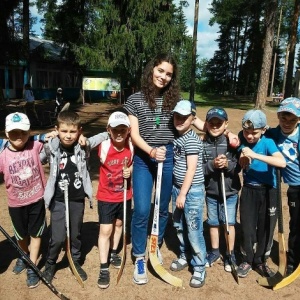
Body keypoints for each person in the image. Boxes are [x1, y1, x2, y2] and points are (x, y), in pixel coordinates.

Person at [124, 53, 238, 285]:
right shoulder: (135, 99)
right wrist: (150, 151)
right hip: (145, 159)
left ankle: (155, 246)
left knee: (164, 208)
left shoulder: (174, 100)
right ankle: (139, 256)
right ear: (151, 70)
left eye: (168, 74)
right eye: (160, 71)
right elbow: (133, 134)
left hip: (169, 156)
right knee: (143, 209)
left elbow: (201, 124)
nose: (163, 77)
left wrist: (227, 132)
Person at [40, 110, 108, 283]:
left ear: (79, 130)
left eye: (72, 131)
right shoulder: (52, 145)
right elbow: (39, 157)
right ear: (57, 129)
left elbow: (103, 136)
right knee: (57, 237)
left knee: (75, 233)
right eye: (64, 131)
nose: (68, 136)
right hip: (58, 199)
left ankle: (75, 261)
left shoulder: (83, 145)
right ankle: (50, 262)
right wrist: (44, 139)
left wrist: (89, 137)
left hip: (77, 198)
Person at [237, 109, 286, 278]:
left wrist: (255, 155)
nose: (249, 136)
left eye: (254, 133)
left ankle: (260, 261)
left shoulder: (268, 142)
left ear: (263, 130)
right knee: (247, 227)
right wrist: (243, 157)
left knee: (266, 228)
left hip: (269, 190)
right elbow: (241, 155)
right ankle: (247, 259)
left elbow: (281, 162)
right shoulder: (242, 140)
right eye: (246, 132)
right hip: (249, 190)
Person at [0, 112, 47, 288]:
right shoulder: (2, 155)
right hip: (15, 204)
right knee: (20, 235)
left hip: (36, 200)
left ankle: (32, 265)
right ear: (6, 134)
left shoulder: (35, 146)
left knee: (36, 233)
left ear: (29, 132)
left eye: (23, 132)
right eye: (14, 133)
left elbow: (51, 138)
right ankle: (24, 254)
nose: (19, 136)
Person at [169, 100, 206, 288]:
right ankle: (185, 255)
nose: (180, 120)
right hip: (178, 188)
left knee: (193, 229)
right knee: (179, 225)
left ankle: (199, 265)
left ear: (193, 118)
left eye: (185, 117)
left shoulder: (191, 139)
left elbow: (191, 169)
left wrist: (183, 194)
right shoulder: (177, 136)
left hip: (191, 191)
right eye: (177, 116)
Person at [96, 111, 133, 289]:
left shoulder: (131, 146)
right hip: (106, 196)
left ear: (128, 131)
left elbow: (135, 162)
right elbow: (83, 143)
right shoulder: (103, 146)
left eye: (123, 129)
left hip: (125, 194)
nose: (119, 133)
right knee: (106, 230)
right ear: (108, 130)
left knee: (119, 225)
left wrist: (130, 170)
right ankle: (104, 268)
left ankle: (113, 253)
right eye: (115, 129)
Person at [202, 107, 241, 271]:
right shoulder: (203, 143)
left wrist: (228, 165)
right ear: (207, 124)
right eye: (212, 122)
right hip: (211, 192)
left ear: (226, 124)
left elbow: (239, 166)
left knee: (229, 222)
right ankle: (215, 251)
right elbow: (200, 169)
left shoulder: (232, 144)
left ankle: (230, 253)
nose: (216, 125)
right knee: (213, 223)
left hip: (230, 191)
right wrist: (212, 165)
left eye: (219, 123)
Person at [265, 97, 300, 275]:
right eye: (283, 119)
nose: (287, 123)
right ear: (278, 116)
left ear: (298, 120)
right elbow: (253, 134)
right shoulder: (274, 133)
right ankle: (292, 261)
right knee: (295, 224)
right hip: (294, 187)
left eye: (292, 120)